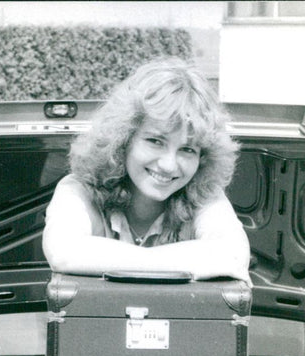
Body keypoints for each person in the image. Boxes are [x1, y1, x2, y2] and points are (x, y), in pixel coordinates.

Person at [42, 57, 251, 283]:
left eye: (187, 149)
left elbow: (234, 255)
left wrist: (111, 259)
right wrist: (189, 261)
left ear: (203, 158)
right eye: (155, 141)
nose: (169, 164)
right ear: (123, 139)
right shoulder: (77, 190)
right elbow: (62, 251)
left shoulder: (206, 198)